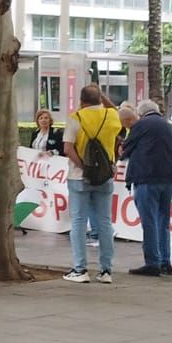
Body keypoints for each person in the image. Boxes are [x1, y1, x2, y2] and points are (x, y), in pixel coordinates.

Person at [64, 84, 122, 284]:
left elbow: (68, 148)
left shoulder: (76, 117)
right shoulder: (111, 116)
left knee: (79, 221)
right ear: (100, 99)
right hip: (105, 176)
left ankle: (80, 269)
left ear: (81, 101)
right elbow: (115, 109)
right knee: (105, 222)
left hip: (79, 177)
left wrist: (83, 166)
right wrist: (102, 97)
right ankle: (106, 270)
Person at [123, 100, 172, 277]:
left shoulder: (141, 125)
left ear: (140, 113)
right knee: (163, 221)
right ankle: (165, 261)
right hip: (168, 178)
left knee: (149, 221)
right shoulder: (168, 126)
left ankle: (152, 262)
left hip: (147, 177)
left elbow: (125, 149)